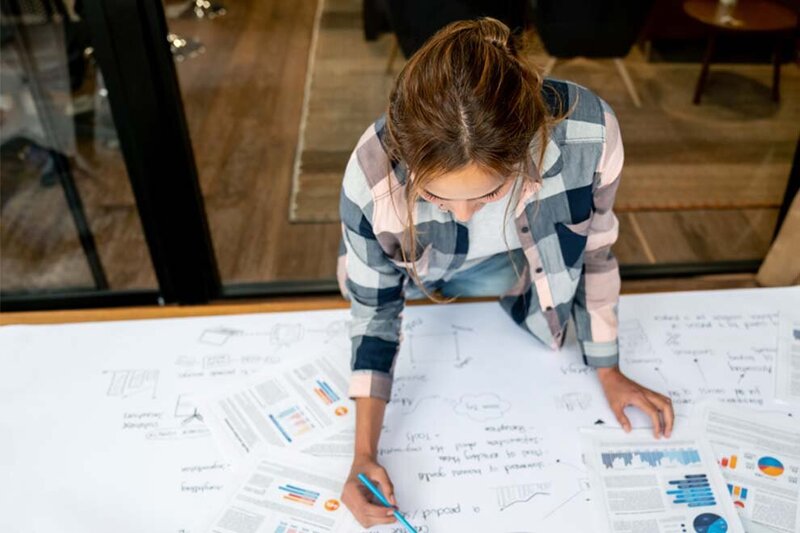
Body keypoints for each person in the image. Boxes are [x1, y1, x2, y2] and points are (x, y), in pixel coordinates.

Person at [336, 18, 674, 528]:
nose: (466, 213)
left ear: (528, 144)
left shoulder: (591, 134)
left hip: (518, 274)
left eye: (489, 193)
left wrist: (607, 367)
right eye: (434, 197)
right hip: (416, 282)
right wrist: (363, 454)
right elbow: (376, 310)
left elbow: (596, 253)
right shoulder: (370, 178)